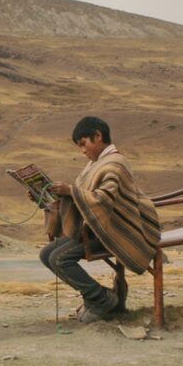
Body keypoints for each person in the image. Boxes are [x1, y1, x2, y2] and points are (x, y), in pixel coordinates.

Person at [38, 116, 161, 323]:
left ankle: (101, 299)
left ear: (98, 136)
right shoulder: (95, 164)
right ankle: (98, 297)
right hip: (94, 227)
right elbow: (81, 199)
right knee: (46, 254)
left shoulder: (115, 163)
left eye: (84, 144)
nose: (83, 151)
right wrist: (45, 197)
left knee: (59, 258)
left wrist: (71, 190)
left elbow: (104, 200)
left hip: (114, 229)